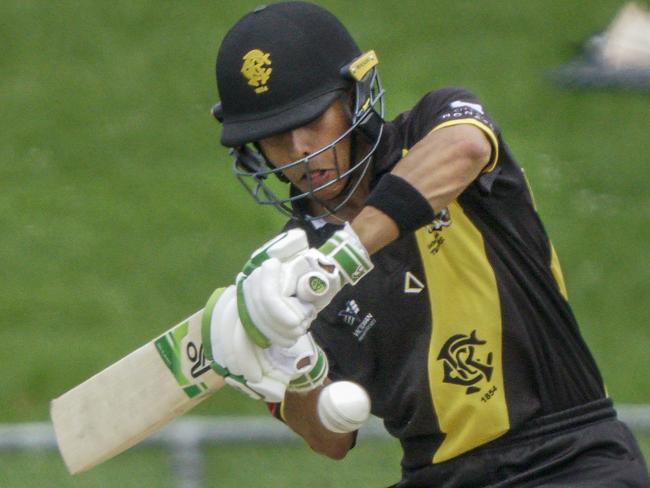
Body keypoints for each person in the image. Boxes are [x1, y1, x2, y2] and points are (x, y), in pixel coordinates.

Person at [203, 2, 650, 486]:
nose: (299, 151)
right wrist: (290, 365)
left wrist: (341, 257)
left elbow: (467, 148)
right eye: (274, 137)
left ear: (354, 96)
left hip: (569, 456)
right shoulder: (292, 267)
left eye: (312, 120)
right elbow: (329, 441)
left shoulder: (428, 129)